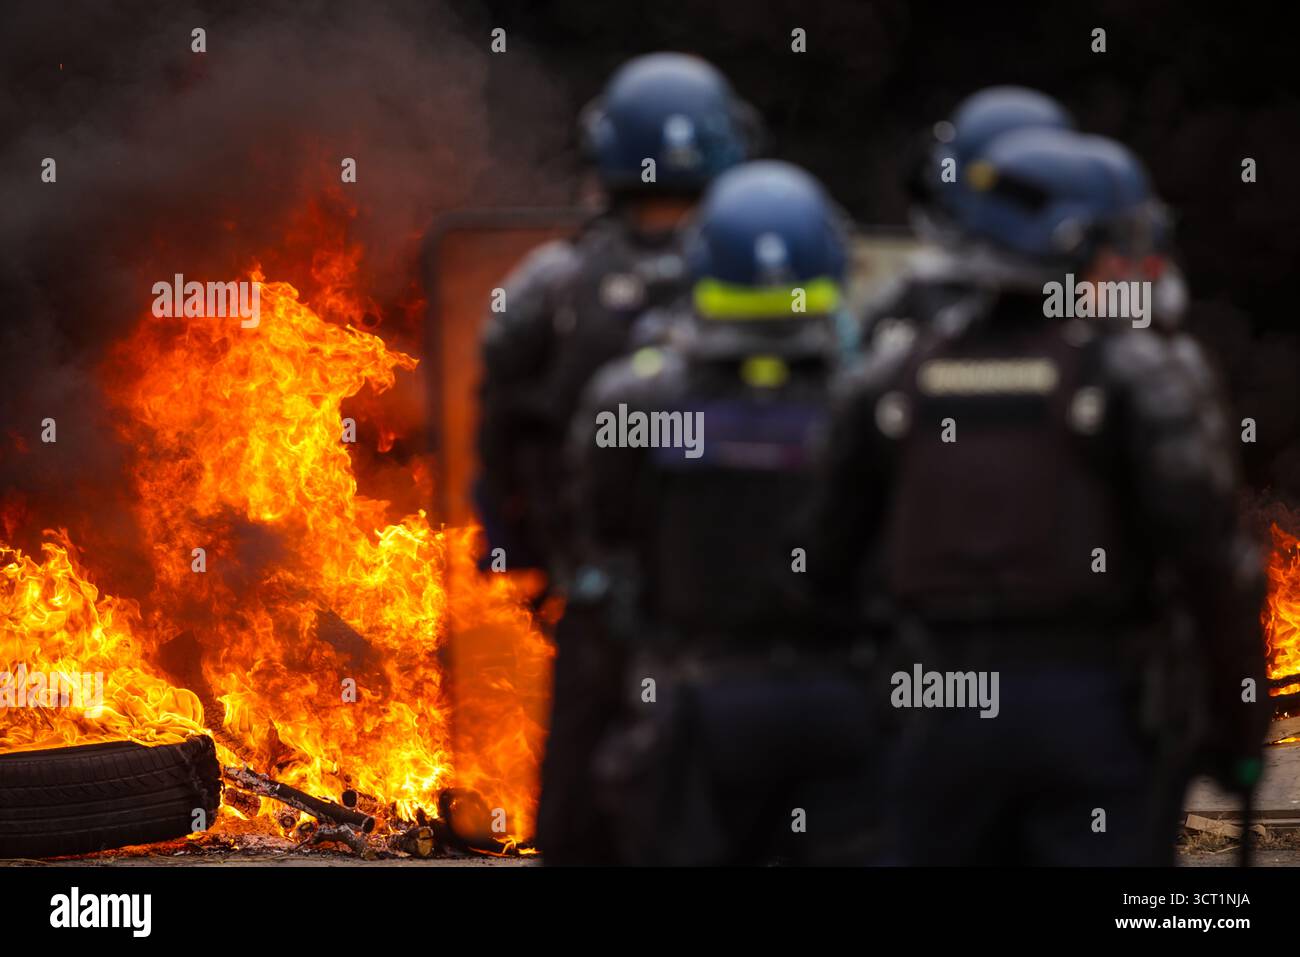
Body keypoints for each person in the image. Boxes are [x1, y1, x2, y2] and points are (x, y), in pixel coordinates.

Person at [809, 128, 1269, 865]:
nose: (1136, 268)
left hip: (936, 707)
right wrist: (1238, 727)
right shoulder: (1137, 375)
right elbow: (1212, 567)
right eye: (1121, 248)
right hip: (1093, 710)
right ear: (1076, 250)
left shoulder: (893, 375)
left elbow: (827, 565)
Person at [473, 52, 761, 863]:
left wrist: (532, 561)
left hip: (605, 622)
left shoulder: (551, 289)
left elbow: (501, 437)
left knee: (582, 830)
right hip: (755, 630)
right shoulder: (784, 277)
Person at [569, 160, 878, 864]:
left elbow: (603, 525)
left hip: (694, 703)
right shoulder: (871, 399)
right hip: (843, 702)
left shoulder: (635, 400)